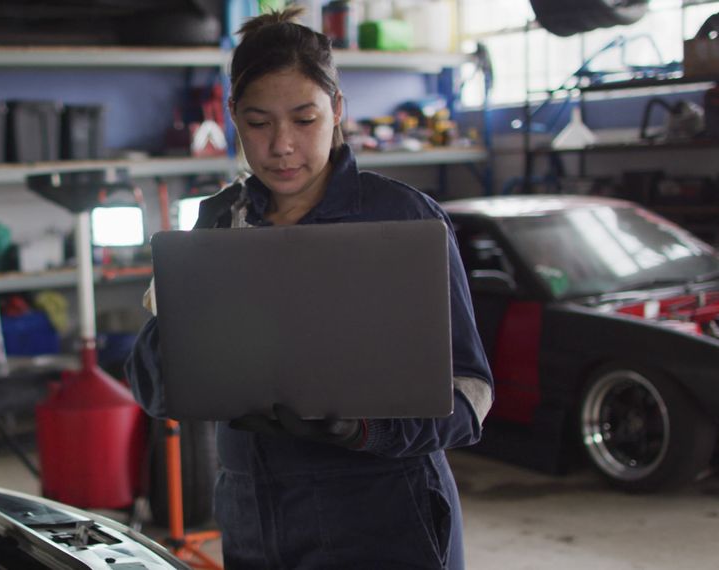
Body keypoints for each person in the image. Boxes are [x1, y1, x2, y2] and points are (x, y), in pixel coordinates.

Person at [125, 8, 493, 569]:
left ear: (337, 109)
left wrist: (367, 429)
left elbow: (469, 392)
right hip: (255, 518)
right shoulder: (218, 224)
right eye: (258, 122)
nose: (281, 146)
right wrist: (182, 341)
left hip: (382, 519)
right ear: (231, 118)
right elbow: (154, 386)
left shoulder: (400, 220)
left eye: (304, 119)